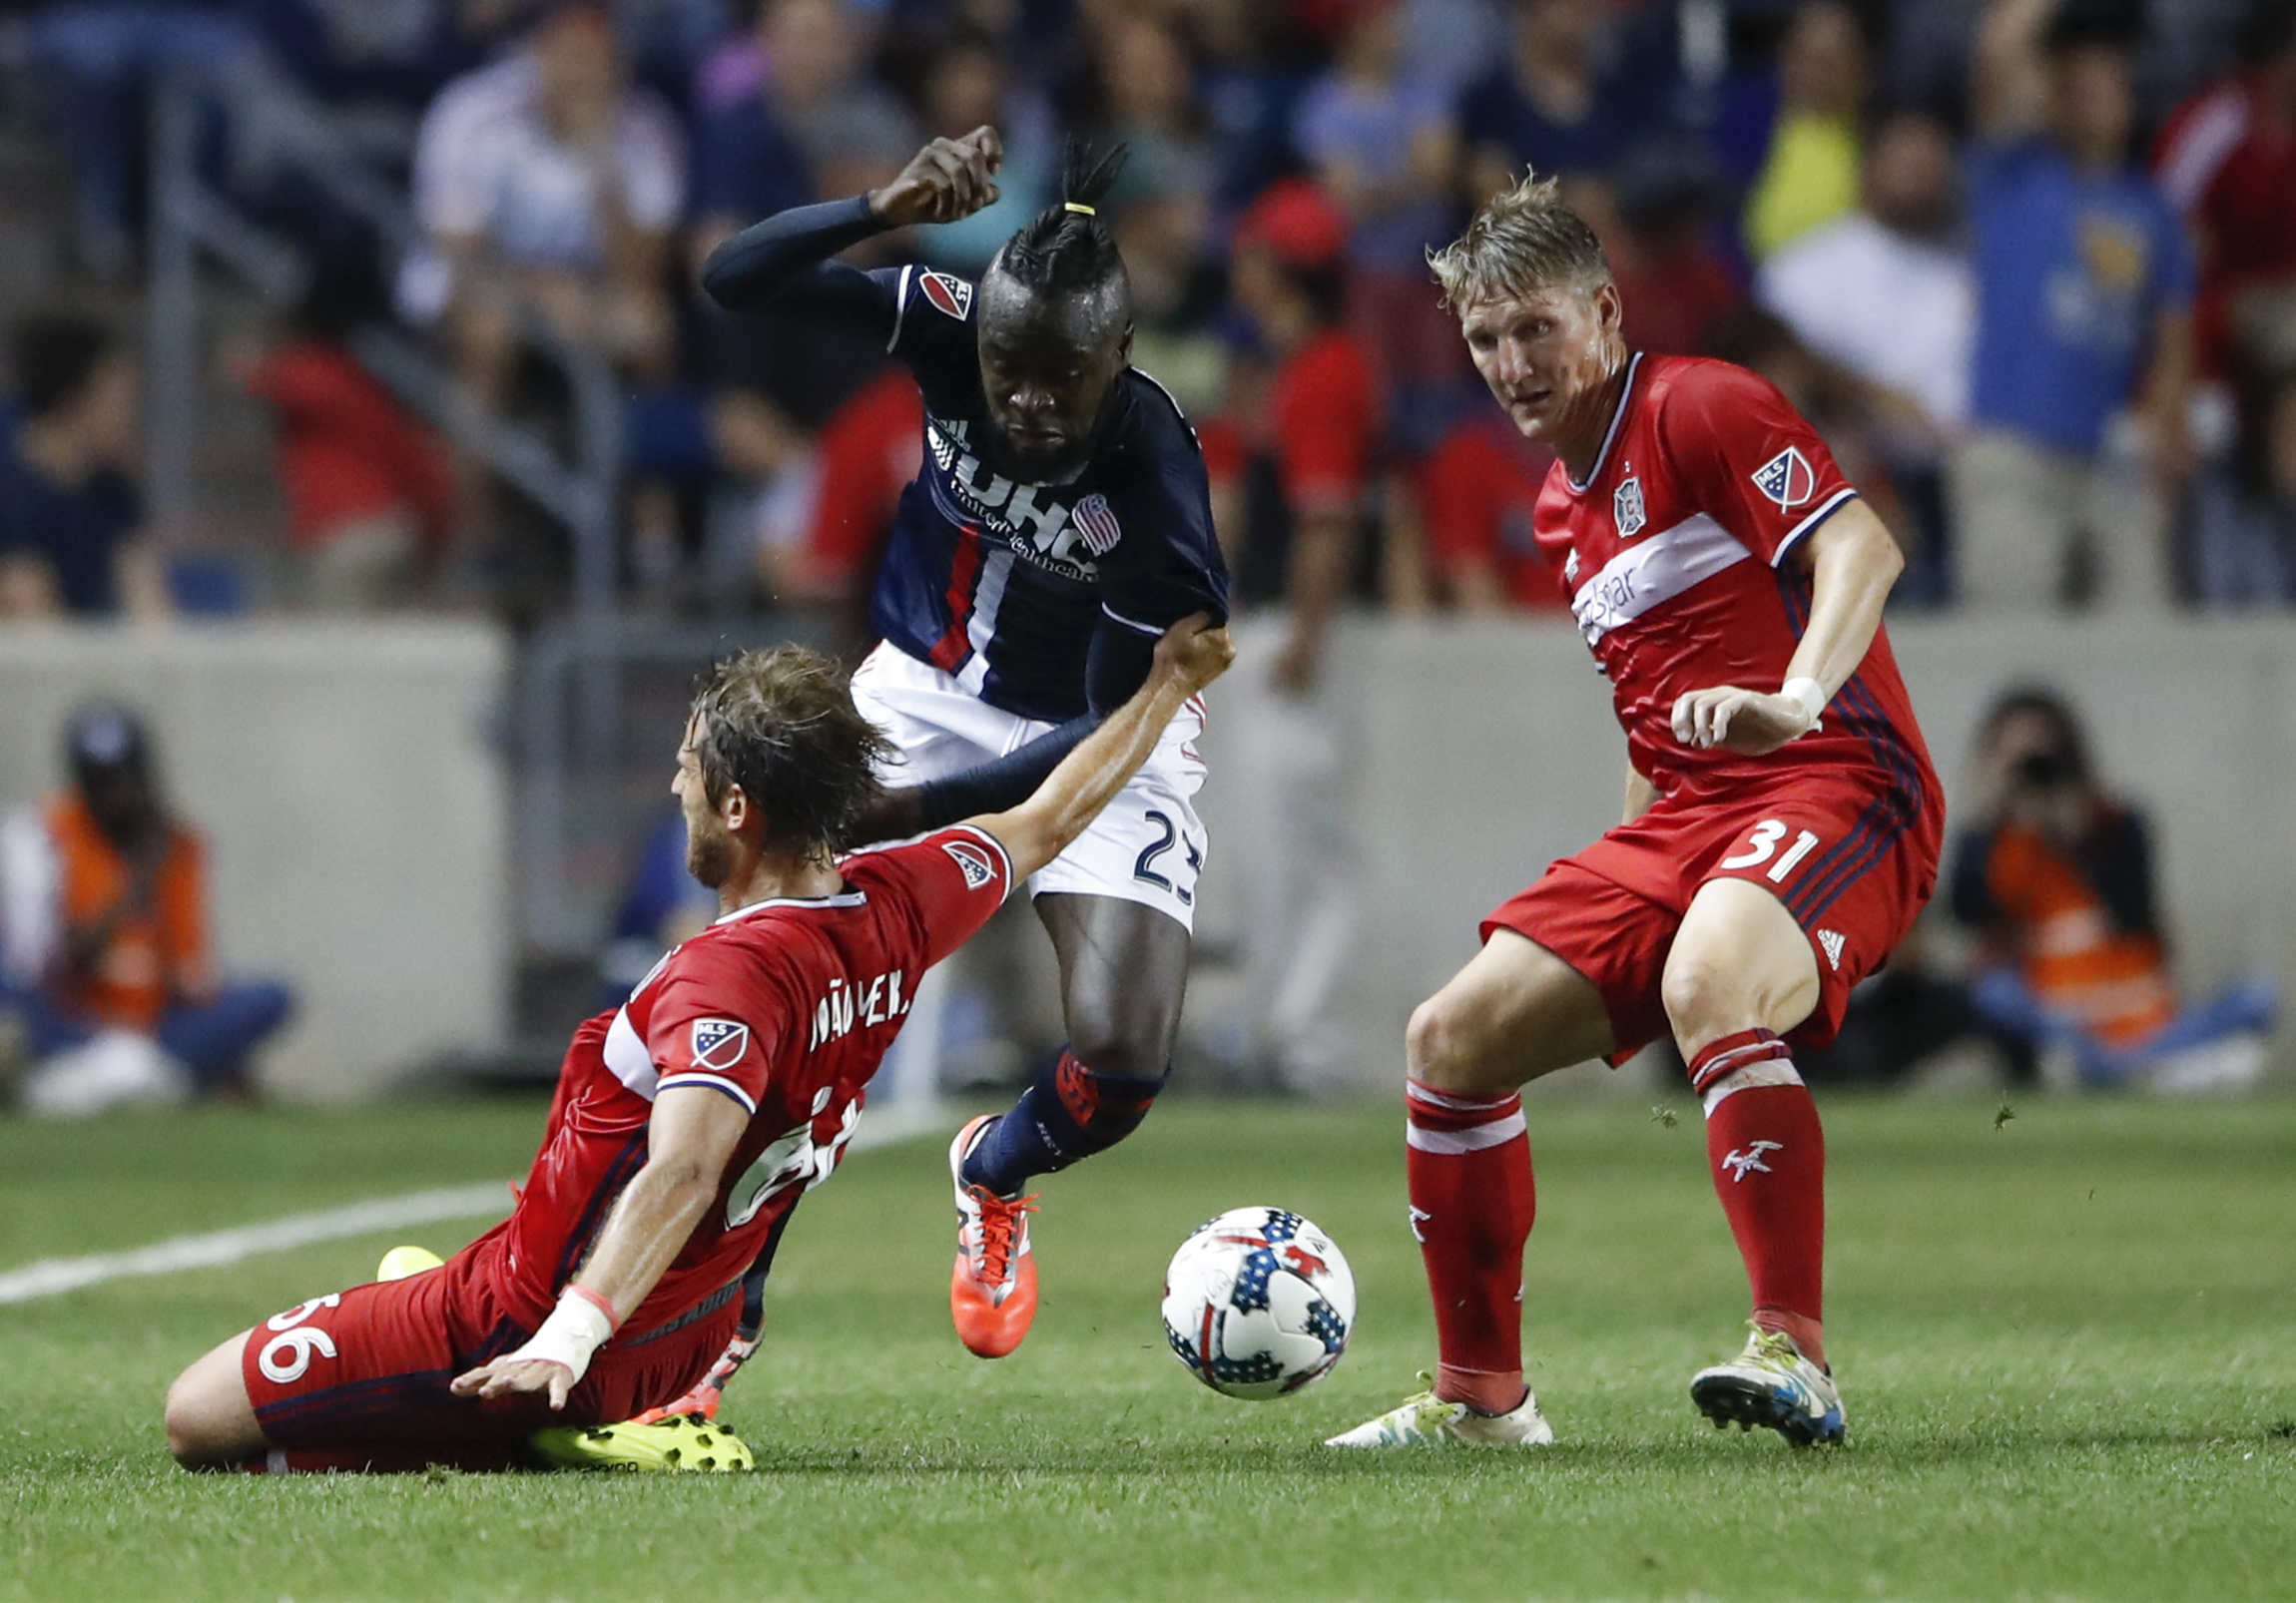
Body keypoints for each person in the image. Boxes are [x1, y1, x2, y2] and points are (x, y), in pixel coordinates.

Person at [160, 615, 1236, 1473]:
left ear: (735, 805)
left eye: (686, 769)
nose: (673, 787)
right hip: (695, 1328)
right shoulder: (903, 898)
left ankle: (501, 1418)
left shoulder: (732, 976)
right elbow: (1049, 819)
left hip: (537, 1322)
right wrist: (1163, 691)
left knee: (196, 1415)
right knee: (453, 1271)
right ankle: (493, 1384)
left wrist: (565, 1337)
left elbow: (683, 1167)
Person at [1328, 170, 1942, 1452]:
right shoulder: (1561, 505)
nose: (1510, 364)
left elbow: (1862, 548)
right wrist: (1629, 863)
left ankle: (1795, 1354)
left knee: (1708, 976)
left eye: (1534, 327)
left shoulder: (1700, 405)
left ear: (1603, 312)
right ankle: (1481, 1401)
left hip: (1836, 777)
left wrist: (1791, 697)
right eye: (1485, 338)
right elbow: (1650, 716)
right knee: (1448, 1039)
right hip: (1689, 819)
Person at [696, 130, 1230, 1361]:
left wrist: (912, 815)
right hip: (922, 694)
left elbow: (1102, 728)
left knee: (1121, 1054)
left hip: (1104, 728)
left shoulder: (1159, 491)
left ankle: (993, 1169)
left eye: (1061, 378)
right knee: (786, 994)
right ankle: (721, 1305)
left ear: (1119, 356)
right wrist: (874, 205)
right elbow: (733, 278)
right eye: (1005, 372)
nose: (1026, 401)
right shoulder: (943, 320)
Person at [1951, 0, 2195, 610]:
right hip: (2013, 444)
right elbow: (1998, 53)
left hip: (2113, 456)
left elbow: (2174, 335)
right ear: (2053, 101)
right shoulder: (2010, 173)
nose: (2097, 97)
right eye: (2078, 87)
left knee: (2146, 620)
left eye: (2110, 85)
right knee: (2009, 621)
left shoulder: (2153, 209)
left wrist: (2164, 433)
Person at [1948, 687, 2276, 1089]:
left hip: (2138, 1015)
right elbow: (1965, 913)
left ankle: (2125, 1069)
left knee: (2259, 995)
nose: (2036, 773)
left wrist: (2079, 834)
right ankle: (2163, 1070)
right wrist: (1991, 817)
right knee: (1993, 994)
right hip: (2056, 1021)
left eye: (2045, 759)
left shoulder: (2114, 823)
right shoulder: (1995, 840)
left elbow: (2134, 912)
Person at [0, 704, 291, 1108]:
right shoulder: (41, 834)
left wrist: (158, 895)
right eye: (99, 783)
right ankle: (141, 1078)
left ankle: (105, 1079)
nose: (114, 795)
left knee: (271, 997)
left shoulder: (180, 845)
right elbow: (37, 964)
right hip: (72, 1020)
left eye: (124, 779)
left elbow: (195, 982)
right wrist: (131, 891)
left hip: (155, 1030)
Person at [0, 314, 171, 621]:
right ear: (70, 402)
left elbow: (151, 607)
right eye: (121, 401)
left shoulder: (111, 490)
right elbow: (33, 621)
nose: (131, 416)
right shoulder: (10, 488)